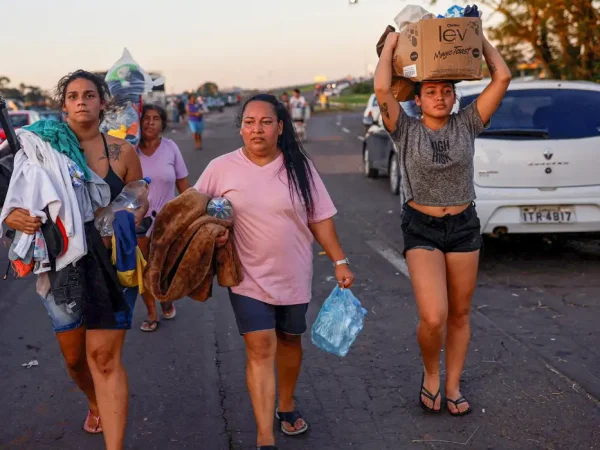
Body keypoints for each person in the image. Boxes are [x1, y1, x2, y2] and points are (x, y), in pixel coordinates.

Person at [194, 94, 354, 450]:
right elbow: (193, 210)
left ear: (280, 127)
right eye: (250, 122)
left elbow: (320, 219)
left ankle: (286, 404)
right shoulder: (222, 168)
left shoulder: (300, 167)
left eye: (266, 122)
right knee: (261, 346)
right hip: (246, 277)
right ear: (241, 128)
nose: (257, 129)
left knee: (289, 339)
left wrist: (339, 261)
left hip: (294, 274)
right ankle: (265, 436)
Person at [2, 70, 147, 449]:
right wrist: (10, 217)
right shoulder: (36, 149)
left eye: (89, 94)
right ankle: (94, 399)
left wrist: (131, 215)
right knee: (75, 360)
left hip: (114, 264)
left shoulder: (123, 151)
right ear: (63, 105)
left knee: (103, 357)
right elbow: (14, 197)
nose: (81, 100)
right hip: (63, 265)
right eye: (73, 95)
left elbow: (138, 194)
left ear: (103, 102)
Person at [374, 33, 511, 416]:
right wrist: (390, 46)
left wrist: (476, 40)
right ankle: (431, 374)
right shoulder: (405, 129)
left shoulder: (468, 123)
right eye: (430, 91)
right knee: (434, 316)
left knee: (460, 314)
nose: (439, 97)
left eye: (446, 91)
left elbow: (501, 77)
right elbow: (383, 86)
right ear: (417, 99)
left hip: (464, 226)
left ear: (455, 98)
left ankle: (452, 386)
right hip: (422, 227)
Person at [137, 104, 191, 331]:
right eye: (146, 118)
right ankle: (151, 313)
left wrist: (190, 214)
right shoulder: (129, 149)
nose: (150, 122)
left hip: (167, 219)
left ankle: (165, 296)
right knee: (144, 267)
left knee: (165, 266)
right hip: (138, 220)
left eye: (156, 118)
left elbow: (183, 185)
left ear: (163, 123)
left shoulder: (170, 148)